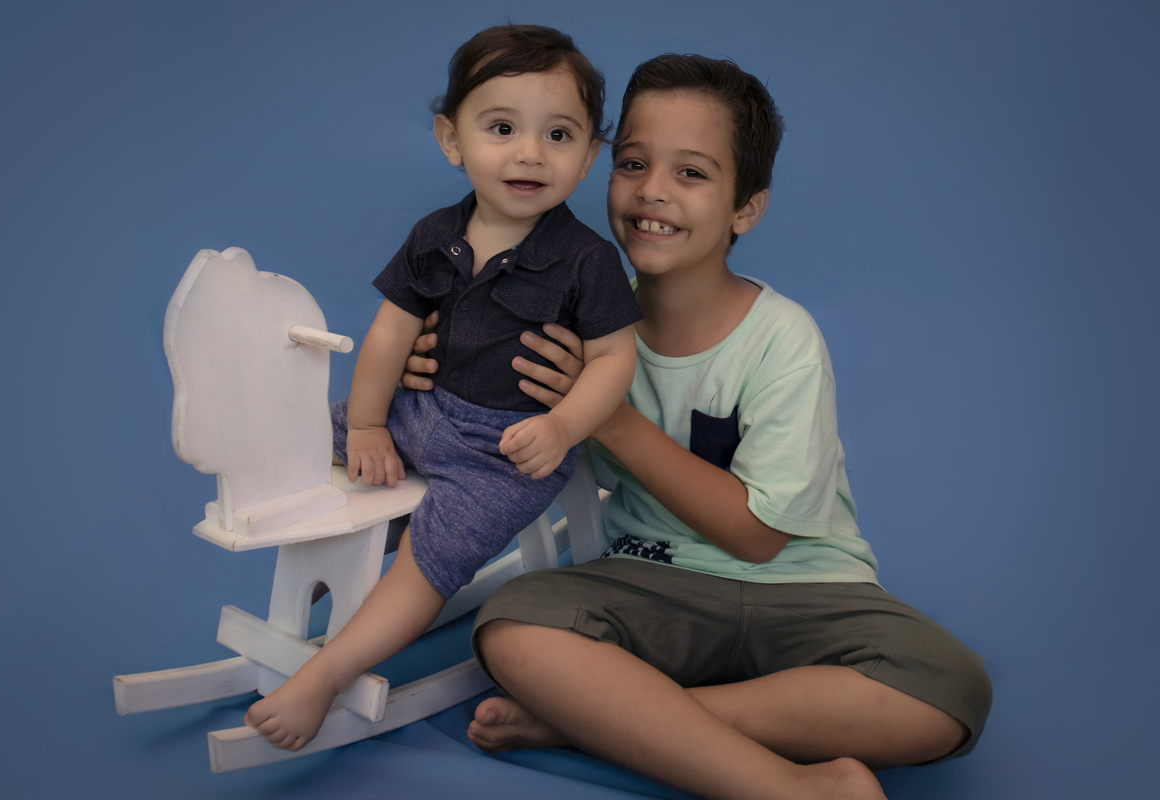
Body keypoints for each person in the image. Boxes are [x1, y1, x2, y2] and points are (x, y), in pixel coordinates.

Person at [404, 54, 992, 800]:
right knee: (513, 628)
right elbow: (487, 426)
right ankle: (792, 788)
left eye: (691, 173)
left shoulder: (783, 337)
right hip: (650, 581)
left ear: (746, 208)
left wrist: (611, 419)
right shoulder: (571, 322)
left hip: (805, 590)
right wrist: (434, 370)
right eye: (633, 163)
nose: (653, 190)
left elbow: (758, 537)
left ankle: (603, 721)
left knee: (948, 688)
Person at [243, 24, 641, 752]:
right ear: (452, 139)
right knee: (302, 434)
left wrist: (563, 428)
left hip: (505, 451)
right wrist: (369, 423)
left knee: (437, 556)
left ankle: (329, 672)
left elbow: (615, 358)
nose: (530, 153)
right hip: (414, 411)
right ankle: (324, 567)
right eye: (502, 128)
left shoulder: (587, 260)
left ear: (588, 157)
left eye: (558, 135)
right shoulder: (434, 235)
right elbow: (389, 335)